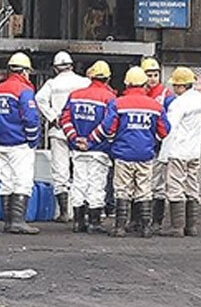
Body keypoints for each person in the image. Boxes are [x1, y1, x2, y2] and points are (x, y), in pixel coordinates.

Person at [96, 66, 168, 238]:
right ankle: (145, 228)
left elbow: (108, 128)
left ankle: (120, 227)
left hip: (123, 154)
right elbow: (164, 130)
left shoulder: (118, 103)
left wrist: (114, 140)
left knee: (122, 190)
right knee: (144, 189)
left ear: (127, 84)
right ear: (144, 84)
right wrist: (151, 140)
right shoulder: (155, 106)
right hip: (145, 154)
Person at [0, 52, 41, 235]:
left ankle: (8, 221)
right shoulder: (24, 91)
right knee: (22, 181)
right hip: (20, 143)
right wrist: (33, 140)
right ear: (24, 71)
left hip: (1, 143)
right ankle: (18, 221)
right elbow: (31, 118)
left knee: (6, 181)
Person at [59, 60, 116, 234]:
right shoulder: (110, 98)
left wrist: (76, 139)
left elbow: (64, 119)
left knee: (78, 183)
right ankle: (94, 222)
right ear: (108, 78)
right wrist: (91, 141)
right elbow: (109, 125)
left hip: (77, 149)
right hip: (98, 150)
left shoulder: (75, 95)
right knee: (96, 185)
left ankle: (78, 222)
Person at [34, 50, 89, 223]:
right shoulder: (84, 82)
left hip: (59, 130)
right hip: (80, 130)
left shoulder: (51, 84)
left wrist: (52, 117)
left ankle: (65, 212)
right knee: (82, 170)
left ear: (56, 68)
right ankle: (83, 211)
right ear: (72, 66)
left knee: (60, 171)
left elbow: (39, 99)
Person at [158, 66, 201, 237]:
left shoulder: (178, 103)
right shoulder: (199, 98)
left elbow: (169, 128)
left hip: (178, 151)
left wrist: (163, 155)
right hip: (194, 151)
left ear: (181, 86)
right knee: (191, 186)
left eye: (175, 85)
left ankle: (177, 227)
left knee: (175, 187)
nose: (173, 88)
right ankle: (191, 227)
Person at [141, 57, 173, 228]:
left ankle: (156, 220)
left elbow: (169, 122)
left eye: (155, 75)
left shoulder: (165, 95)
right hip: (143, 144)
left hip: (157, 144)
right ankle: (140, 219)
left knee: (157, 184)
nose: (152, 78)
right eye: (149, 75)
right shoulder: (140, 93)